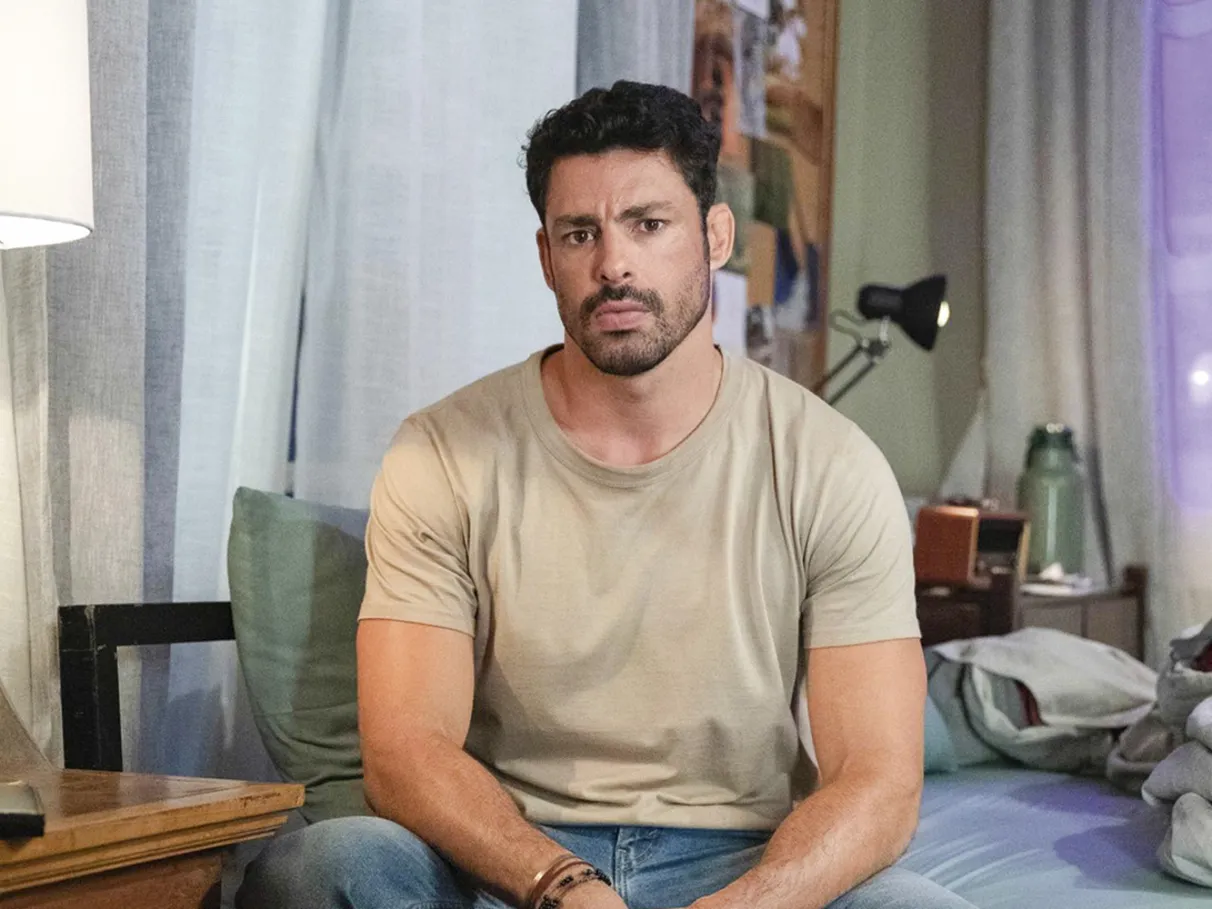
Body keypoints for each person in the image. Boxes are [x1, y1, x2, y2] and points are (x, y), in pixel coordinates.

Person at [239, 80, 974, 909]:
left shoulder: (831, 464)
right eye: (580, 233)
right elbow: (405, 750)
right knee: (322, 867)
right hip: (503, 857)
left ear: (716, 236)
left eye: (648, 224)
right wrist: (560, 883)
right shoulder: (442, 452)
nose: (613, 264)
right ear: (546, 256)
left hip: (741, 861)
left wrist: (749, 903)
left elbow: (880, 778)